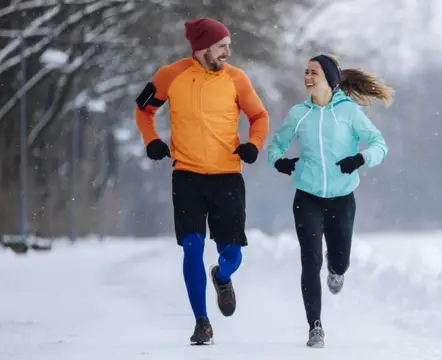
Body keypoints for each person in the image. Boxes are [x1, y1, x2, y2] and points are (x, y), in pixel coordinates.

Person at [134, 17, 269, 345]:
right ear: (203, 47)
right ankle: (201, 322)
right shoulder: (171, 75)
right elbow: (143, 109)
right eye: (222, 46)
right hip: (187, 176)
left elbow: (259, 116)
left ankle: (221, 277)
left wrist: (254, 144)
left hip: (227, 177)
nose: (228, 51)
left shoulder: (237, 79)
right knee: (192, 247)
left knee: (232, 255)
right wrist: (151, 139)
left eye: (229, 45)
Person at [266, 54, 391, 348]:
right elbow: (277, 144)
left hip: (341, 199)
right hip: (307, 197)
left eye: (314, 73)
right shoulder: (299, 113)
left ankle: (337, 271)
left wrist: (360, 158)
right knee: (310, 260)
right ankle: (315, 327)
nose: (307, 77)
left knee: (339, 260)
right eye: (306, 72)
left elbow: (379, 145)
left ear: (330, 80)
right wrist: (279, 162)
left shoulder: (349, 112)